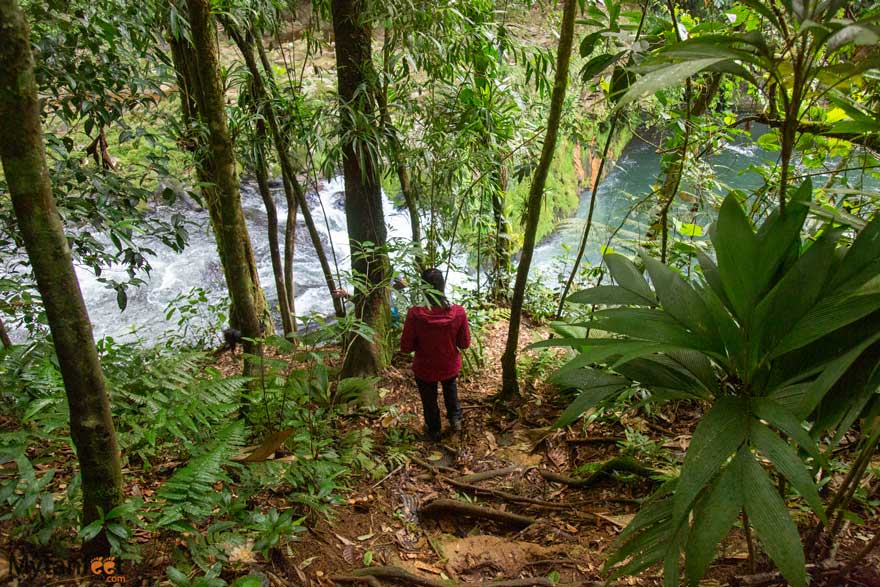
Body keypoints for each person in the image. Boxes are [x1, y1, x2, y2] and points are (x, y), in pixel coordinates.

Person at [400, 268, 471, 441]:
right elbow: (464, 343)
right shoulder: (458, 312)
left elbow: (406, 347)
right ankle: (455, 419)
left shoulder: (415, 314)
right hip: (449, 364)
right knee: (450, 388)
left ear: (423, 288)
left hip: (425, 367)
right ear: (443, 286)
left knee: (429, 398)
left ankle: (434, 430)